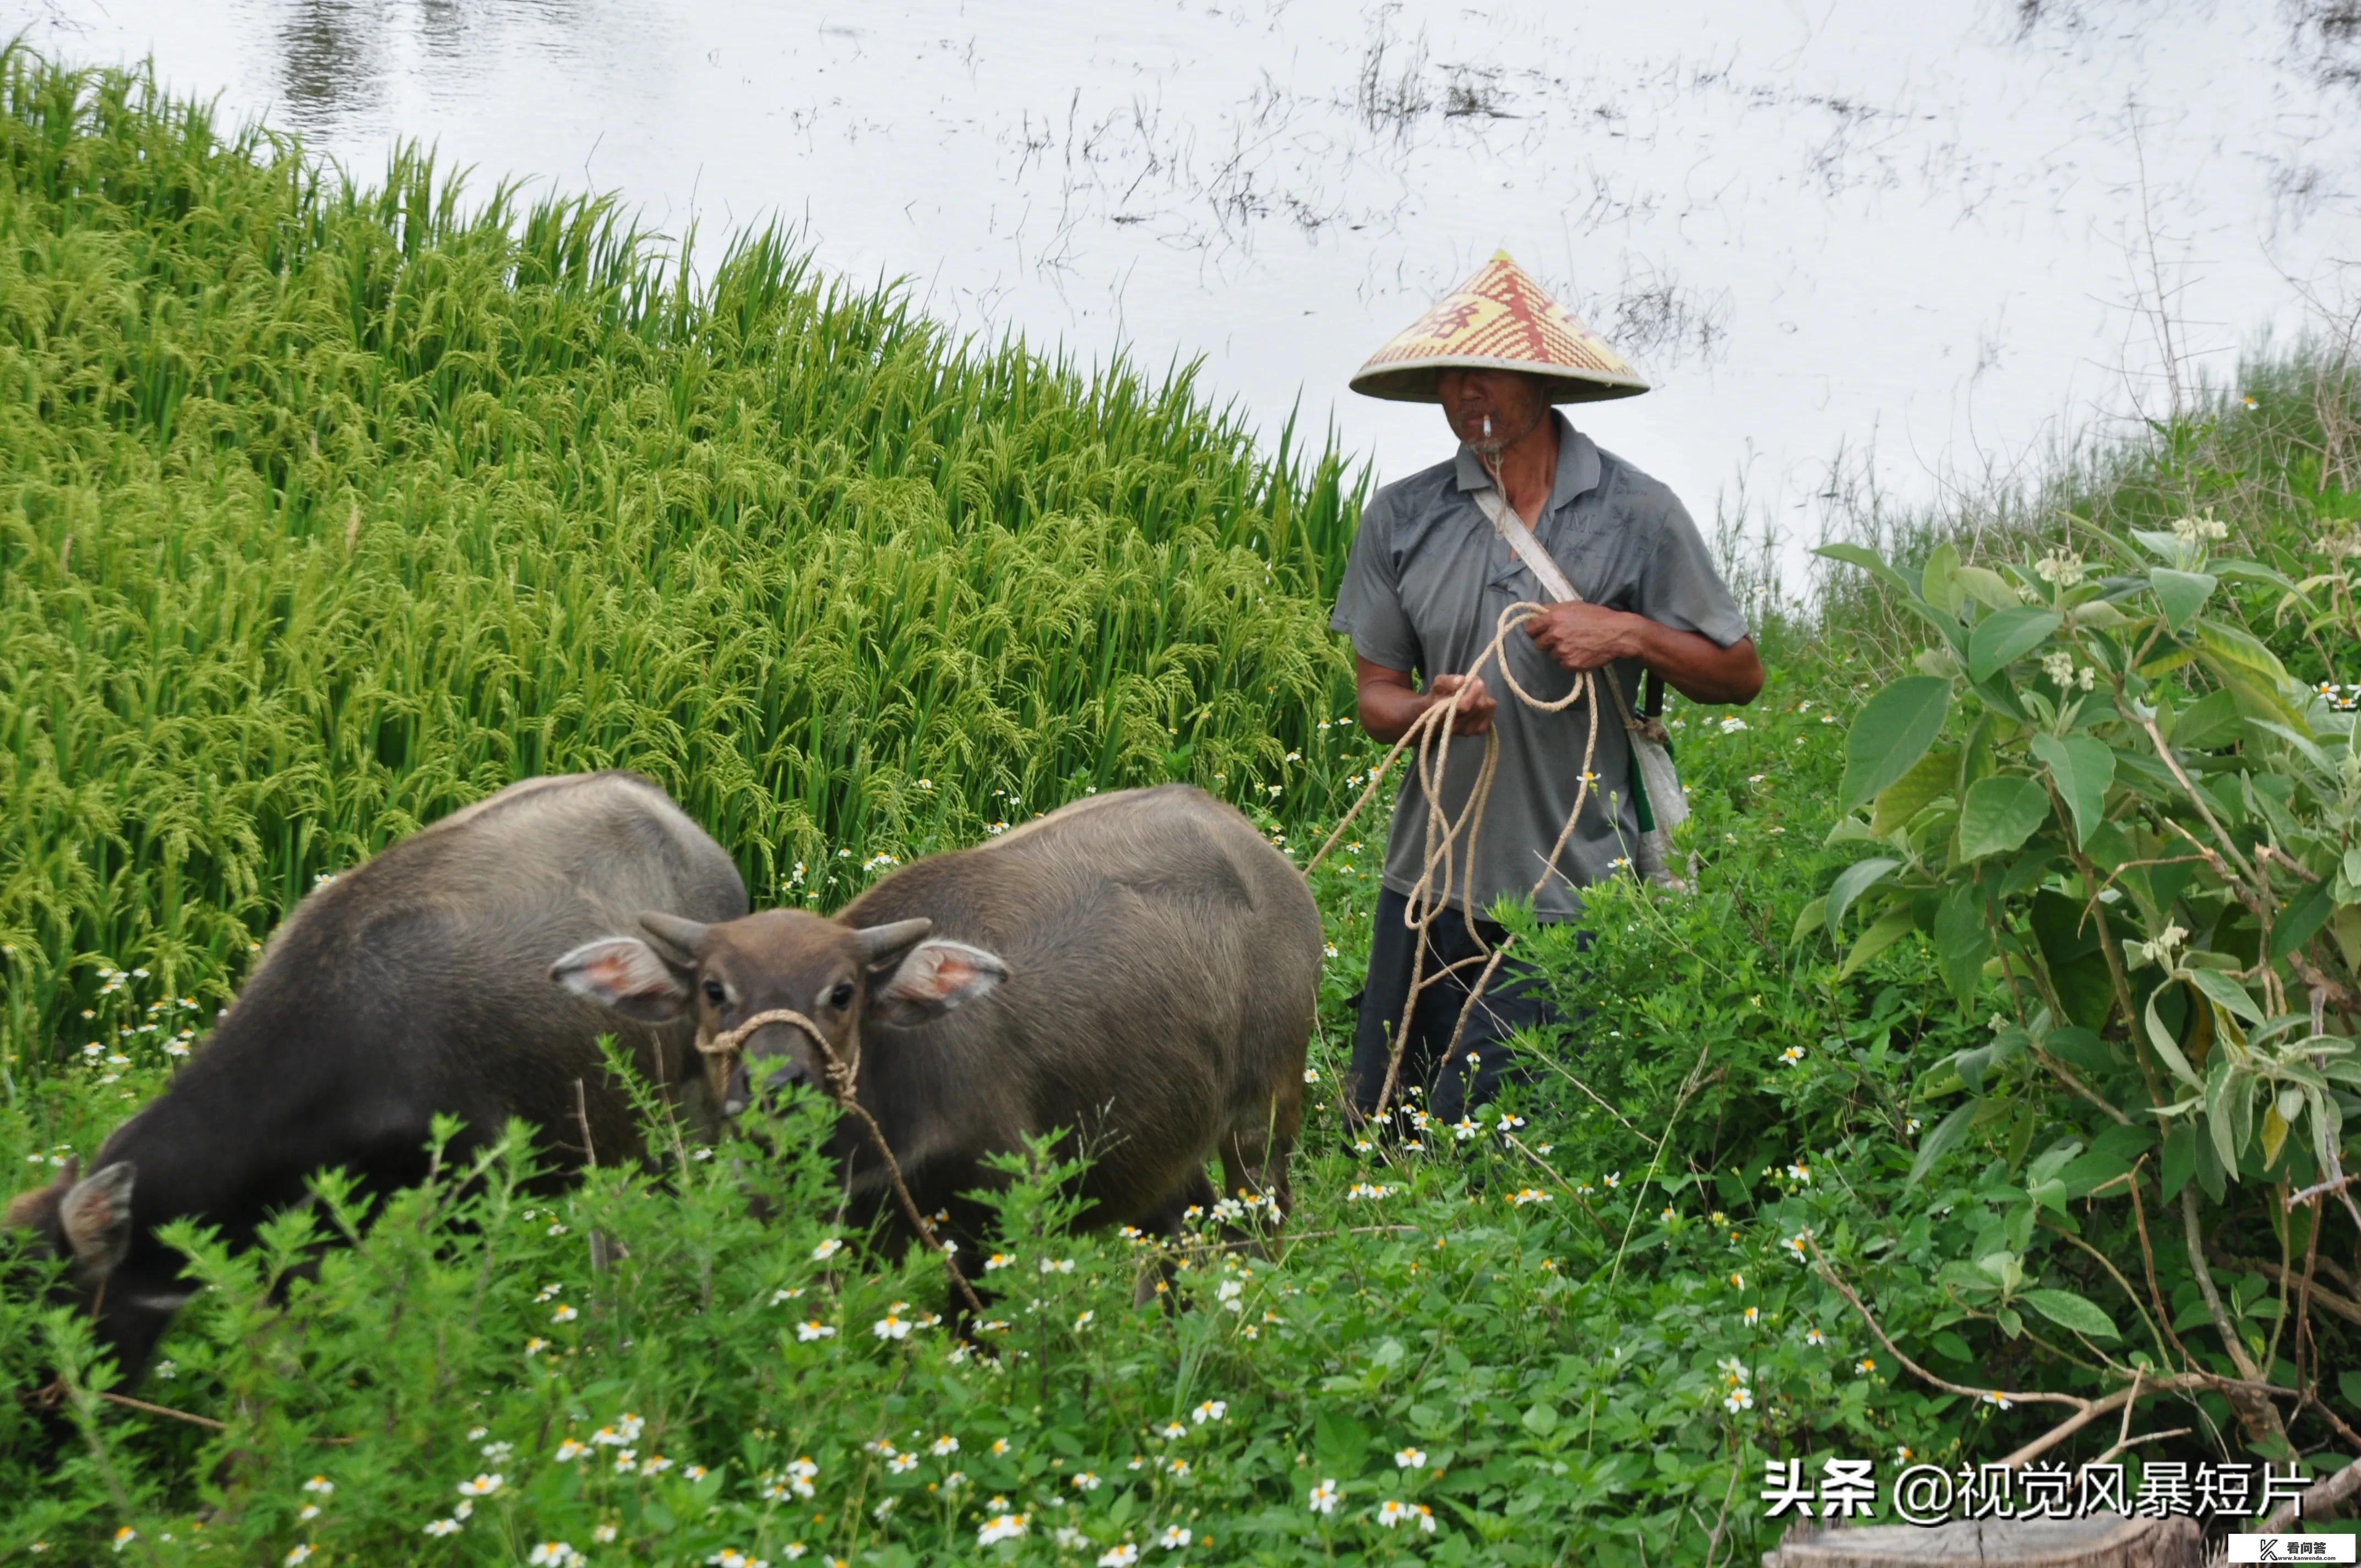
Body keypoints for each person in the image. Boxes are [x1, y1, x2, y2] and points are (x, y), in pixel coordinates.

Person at [1331, 251, 1763, 1126]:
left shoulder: (1638, 514)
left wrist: (1628, 633)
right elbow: (1377, 697)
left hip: (1565, 899)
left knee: (1485, 1139)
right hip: (1421, 886)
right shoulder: (1403, 518)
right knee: (1379, 1129)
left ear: (1541, 381)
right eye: (1451, 376)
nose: (1465, 394)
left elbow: (1740, 673)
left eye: (1485, 371)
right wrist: (1429, 711)